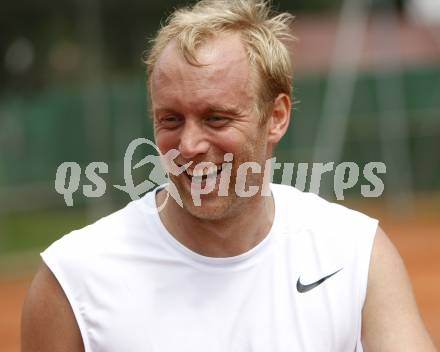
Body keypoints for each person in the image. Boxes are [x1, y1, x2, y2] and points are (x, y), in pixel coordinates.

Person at [22, 1, 436, 351]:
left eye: (215, 118)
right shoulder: (73, 281)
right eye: (170, 119)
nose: (188, 145)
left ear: (276, 117)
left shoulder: (355, 253)